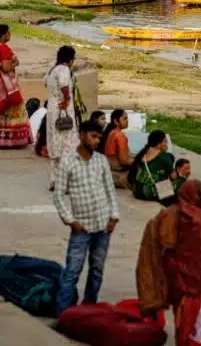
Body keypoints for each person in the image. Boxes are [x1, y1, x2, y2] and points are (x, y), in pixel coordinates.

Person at [137, 179, 201, 346]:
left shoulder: (196, 216)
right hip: (184, 277)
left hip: (197, 277)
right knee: (189, 317)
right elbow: (166, 244)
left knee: (195, 317)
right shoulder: (176, 215)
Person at [53, 120, 120, 315]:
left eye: (99, 137)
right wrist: (70, 221)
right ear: (82, 135)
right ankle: (63, 313)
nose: (97, 141)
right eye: (93, 136)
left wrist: (113, 217)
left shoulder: (101, 161)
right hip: (81, 227)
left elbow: (110, 190)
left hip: (103, 225)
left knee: (97, 270)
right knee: (72, 271)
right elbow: (58, 195)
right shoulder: (67, 163)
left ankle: (88, 310)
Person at [45, 45, 78, 187]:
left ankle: (54, 178)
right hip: (62, 109)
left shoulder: (52, 70)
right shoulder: (64, 70)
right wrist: (66, 100)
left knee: (54, 141)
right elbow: (64, 86)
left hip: (52, 108)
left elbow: (46, 84)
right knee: (67, 143)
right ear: (70, 59)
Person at [128, 129, 176, 201]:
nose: (166, 144)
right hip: (149, 193)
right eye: (165, 141)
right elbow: (174, 177)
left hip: (137, 192)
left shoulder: (143, 153)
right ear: (158, 144)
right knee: (180, 182)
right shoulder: (163, 156)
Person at [98, 108, 134, 189]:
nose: (127, 121)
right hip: (119, 173)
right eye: (124, 119)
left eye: (127, 118)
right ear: (116, 122)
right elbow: (123, 161)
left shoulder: (111, 132)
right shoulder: (119, 136)